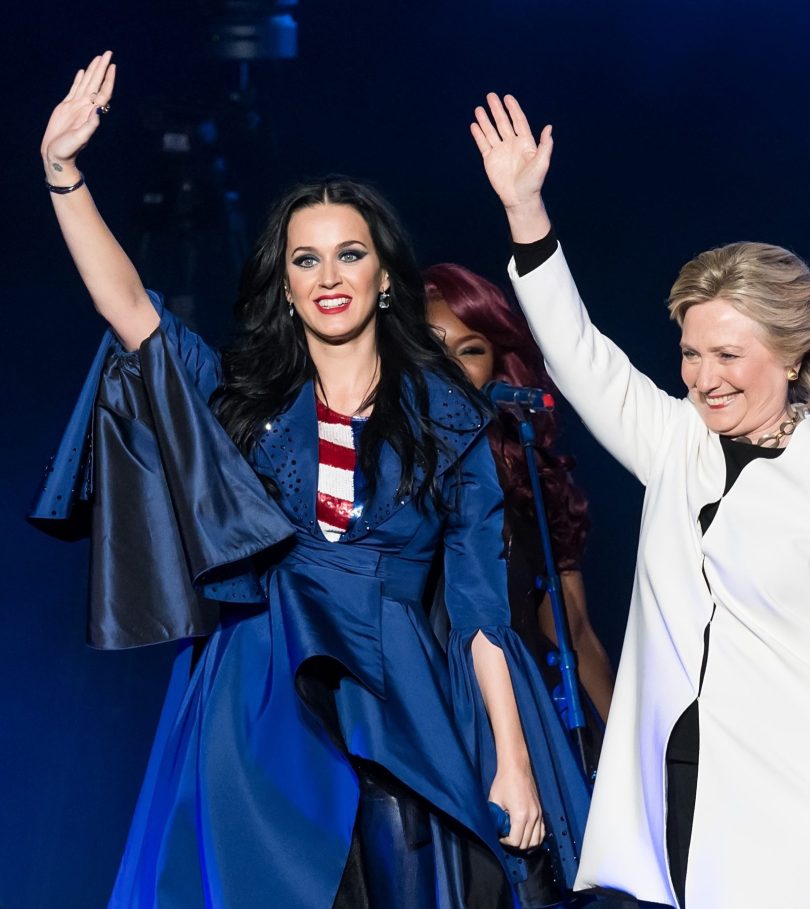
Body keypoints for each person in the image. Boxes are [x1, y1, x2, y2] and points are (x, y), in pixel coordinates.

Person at [33, 54, 589, 908]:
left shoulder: (451, 423)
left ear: (383, 277)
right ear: (286, 286)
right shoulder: (242, 407)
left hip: (401, 693)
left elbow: (482, 614)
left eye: (349, 254)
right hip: (257, 690)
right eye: (306, 260)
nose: (329, 276)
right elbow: (131, 313)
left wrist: (512, 762)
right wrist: (64, 173)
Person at [469, 92, 810, 908]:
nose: (704, 376)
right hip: (674, 783)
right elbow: (577, 353)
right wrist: (526, 210)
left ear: (791, 353)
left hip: (794, 796)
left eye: (728, 354)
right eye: (690, 352)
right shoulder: (676, 443)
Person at [424, 262, 615, 735]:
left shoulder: (526, 480)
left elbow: (575, 633)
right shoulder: (381, 479)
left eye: (471, 350)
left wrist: (629, 764)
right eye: (431, 348)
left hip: (530, 722)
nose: (451, 366)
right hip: (435, 728)